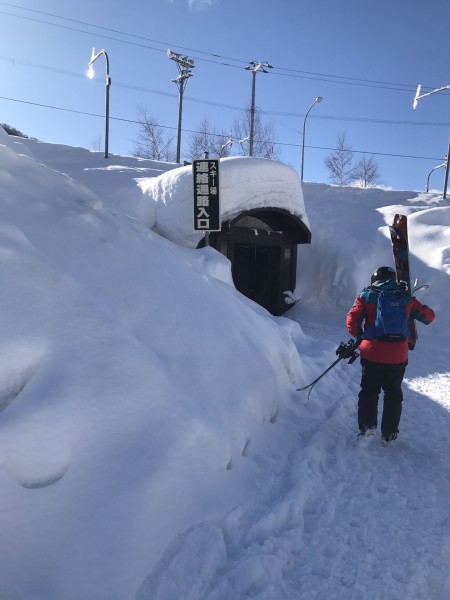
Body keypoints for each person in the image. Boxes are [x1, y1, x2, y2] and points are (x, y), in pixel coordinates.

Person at [346, 266, 435, 446]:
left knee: (369, 391)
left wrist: (359, 337)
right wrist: (411, 305)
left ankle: (367, 427)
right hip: (398, 356)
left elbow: (352, 320)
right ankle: (389, 434)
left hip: (371, 352)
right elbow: (429, 317)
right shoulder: (405, 297)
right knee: (393, 393)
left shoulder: (367, 295)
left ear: (374, 280)